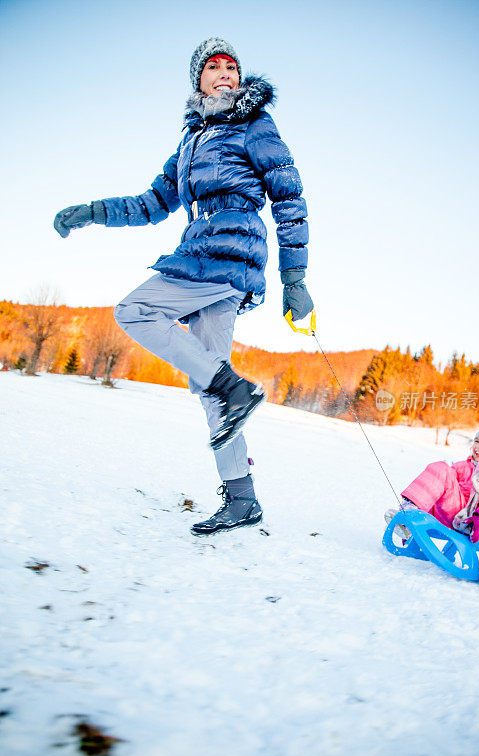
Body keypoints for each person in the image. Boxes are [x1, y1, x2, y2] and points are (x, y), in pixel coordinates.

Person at [53, 37, 313, 535]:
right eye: (213, 67)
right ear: (198, 79)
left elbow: (289, 195)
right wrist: (93, 212)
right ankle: (242, 498)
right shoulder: (190, 141)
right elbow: (152, 203)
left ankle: (232, 387)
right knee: (213, 388)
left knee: (135, 310)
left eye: (231, 68)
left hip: (228, 247)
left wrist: (295, 277)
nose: (224, 74)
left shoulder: (254, 124)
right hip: (205, 247)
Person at [385, 426, 479, 594]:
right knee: (441, 468)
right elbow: (440, 486)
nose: (478, 446)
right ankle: (408, 516)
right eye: (476, 441)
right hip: (455, 514)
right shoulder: (464, 466)